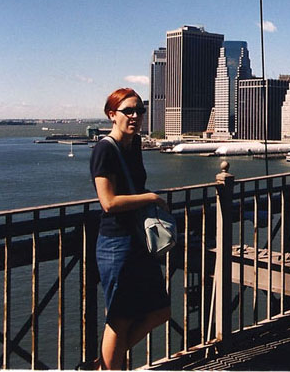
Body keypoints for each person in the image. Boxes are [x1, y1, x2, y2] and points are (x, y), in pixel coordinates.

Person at [89, 88, 170, 369]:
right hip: (116, 243)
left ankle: (107, 361)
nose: (136, 116)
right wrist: (151, 198)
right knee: (119, 318)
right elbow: (108, 202)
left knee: (160, 311)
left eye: (139, 111)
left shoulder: (133, 145)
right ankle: (110, 366)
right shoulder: (104, 149)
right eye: (128, 111)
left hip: (138, 240)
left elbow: (132, 186)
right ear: (112, 115)